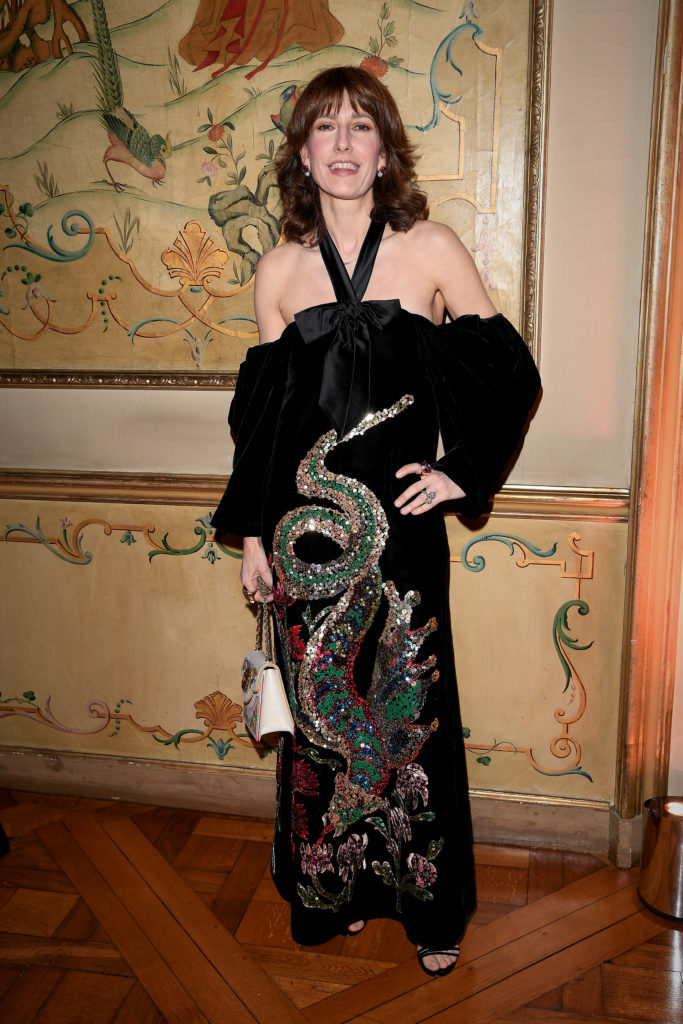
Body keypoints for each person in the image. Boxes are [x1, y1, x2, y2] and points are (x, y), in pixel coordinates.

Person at [212, 65, 540, 978]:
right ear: (302, 154)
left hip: (400, 534)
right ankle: (337, 892)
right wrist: (253, 538)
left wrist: (457, 472)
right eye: (326, 128)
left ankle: (429, 906)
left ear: (385, 151)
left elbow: (507, 374)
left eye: (361, 126)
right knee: (322, 727)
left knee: (410, 711)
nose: (344, 144)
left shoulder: (429, 248)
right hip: (305, 538)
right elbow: (262, 424)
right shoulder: (278, 270)